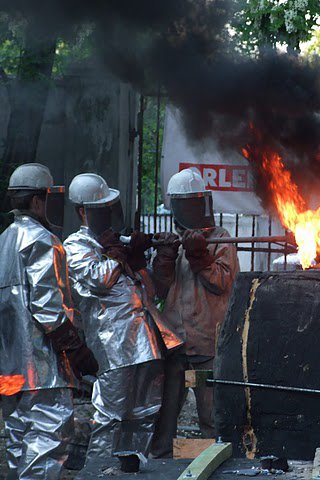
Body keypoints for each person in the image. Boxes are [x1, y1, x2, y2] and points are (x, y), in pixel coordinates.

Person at [63, 173, 181, 472]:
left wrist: (143, 257)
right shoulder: (76, 245)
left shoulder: (115, 244)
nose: (108, 215)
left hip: (147, 343)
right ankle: (99, 472)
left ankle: (131, 471)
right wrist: (116, 253)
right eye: (101, 209)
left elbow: (151, 292)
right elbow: (99, 279)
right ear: (83, 212)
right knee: (111, 416)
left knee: (144, 413)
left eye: (110, 207)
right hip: (114, 347)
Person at [0, 163, 98, 479]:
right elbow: (48, 310)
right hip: (42, 374)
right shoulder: (42, 240)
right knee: (47, 446)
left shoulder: (3, 241)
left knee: (20, 445)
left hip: (10, 371)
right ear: (39, 200)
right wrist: (78, 352)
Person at [150, 169, 239, 458]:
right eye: (184, 205)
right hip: (176, 347)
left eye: (192, 204)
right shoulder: (172, 242)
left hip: (204, 349)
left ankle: (204, 461)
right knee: (165, 418)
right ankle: (166, 459)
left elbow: (221, 283)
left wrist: (200, 256)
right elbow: (159, 291)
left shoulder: (220, 240)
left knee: (209, 417)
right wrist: (164, 258)